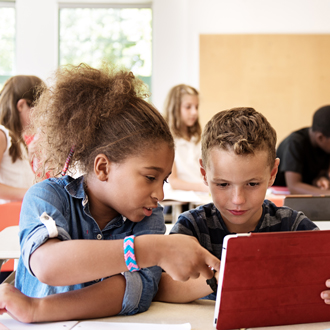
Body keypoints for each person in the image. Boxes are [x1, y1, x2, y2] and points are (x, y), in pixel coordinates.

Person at [0, 63, 220, 323]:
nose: (159, 194)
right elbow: (48, 265)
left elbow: (132, 292)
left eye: (164, 180)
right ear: (103, 167)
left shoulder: (149, 218)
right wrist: (151, 249)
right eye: (150, 178)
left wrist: (39, 310)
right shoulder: (47, 197)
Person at [154, 107, 318, 303]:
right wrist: (222, 279)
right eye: (223, 184)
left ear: (273, 173)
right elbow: (160, 286)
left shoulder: (292, 226)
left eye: (252, 184)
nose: (238, 199)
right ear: (205, 174)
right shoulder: (192, 227)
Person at [0, 75, 44, 204]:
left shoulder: (18, 140)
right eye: (40, 111)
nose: (41, 118)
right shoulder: (2, 134)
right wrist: (33, 192)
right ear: (21, 105)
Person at [273, 105, 330, 195]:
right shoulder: (295, 143)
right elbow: (294, 186)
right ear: (321, 138)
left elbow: (316, 176)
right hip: (280, 198)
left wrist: (320, 180)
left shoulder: (325, 147)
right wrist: (327, 194)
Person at [163, 84, 208, 193]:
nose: (194, 112)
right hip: (180, 202)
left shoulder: (197, 138)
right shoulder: (166, 140)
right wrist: (204, 187)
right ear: (174, 108)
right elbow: (173, 181)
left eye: (196, 107)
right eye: (188, 107)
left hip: (201, 197)